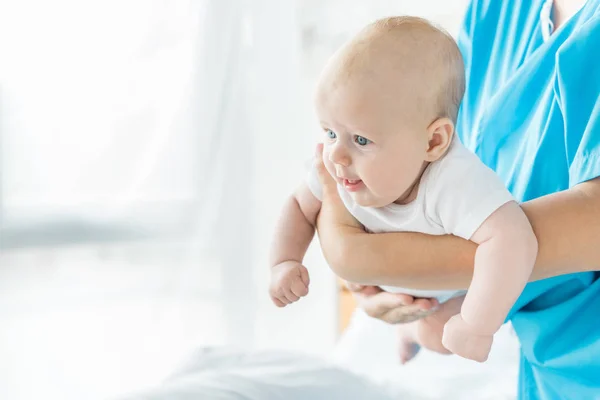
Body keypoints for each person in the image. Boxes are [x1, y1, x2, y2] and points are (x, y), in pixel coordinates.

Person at [314, 0, 600, 398]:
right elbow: (438, 172)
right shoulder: (498, 12)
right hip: (542, 366)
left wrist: (367, 257)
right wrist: (409, 292)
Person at [268, 16, 537, 363]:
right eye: (329, 132)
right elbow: (298, 205)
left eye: (361, 139)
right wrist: (284, 261)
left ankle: (411, 332)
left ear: (433, 141)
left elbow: (514, 238)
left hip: (444, 296)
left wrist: (476, 325)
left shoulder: (456, 181)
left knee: (440, 333)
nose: (335, 154)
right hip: (385, 286)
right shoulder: (338, 165)